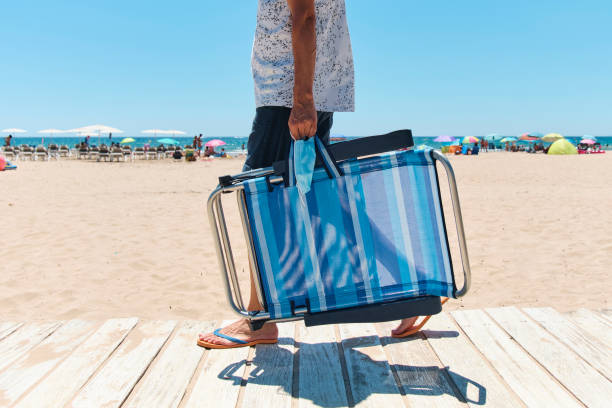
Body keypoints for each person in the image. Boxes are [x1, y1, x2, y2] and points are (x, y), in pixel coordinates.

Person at [198, 0, 355, 348]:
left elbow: (304, 17)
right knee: (315, 204)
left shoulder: (295, 96)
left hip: (288, 95)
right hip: (305, 89)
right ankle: (411, 291)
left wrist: (301, 99)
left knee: (260, 201)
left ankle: (258, 320)